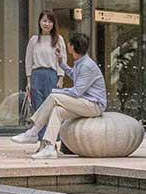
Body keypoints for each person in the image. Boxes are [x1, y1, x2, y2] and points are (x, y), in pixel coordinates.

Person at [11, 29, 106, 160]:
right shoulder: (81, 62)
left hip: (94, 105)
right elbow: (74, 76)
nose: (67, 45)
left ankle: (34, 131)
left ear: (72, 47)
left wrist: (57, 91)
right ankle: (50, 147)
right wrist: (61, 63)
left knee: (54, 97)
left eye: (69, 43)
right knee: (58, 110)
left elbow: (77, 92)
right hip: (86, 103)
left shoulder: (87, 66)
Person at [23, 9, 68, 122]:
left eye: (50, 22)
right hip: (36, 75)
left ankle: (51, 136)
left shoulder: (58, 39)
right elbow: (28, 61)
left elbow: (63, 59)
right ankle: (40, 135)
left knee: (51, 106)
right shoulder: (34, 40)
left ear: (53, 24)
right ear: (39, 22)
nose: (47, 24)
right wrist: (28, 80)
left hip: (51, 75)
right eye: (44, 21)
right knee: (38, 106)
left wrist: (61, 78)